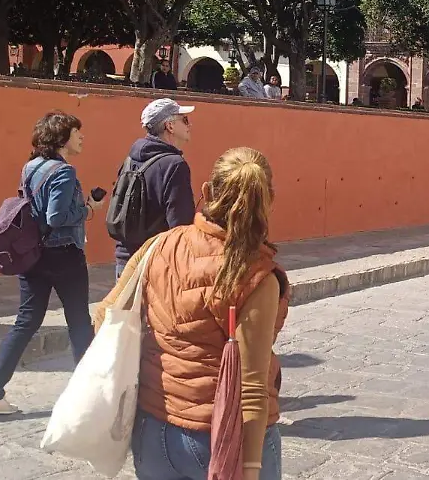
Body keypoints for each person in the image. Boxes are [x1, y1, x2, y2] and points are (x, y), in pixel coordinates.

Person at [98, 147, 289, 479]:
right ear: (269, 200)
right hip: (220, 437)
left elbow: (105, 315)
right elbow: (251, 388)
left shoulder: (159, 246)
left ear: (206, 192)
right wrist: (251, 469)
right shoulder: (256, 275)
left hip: (153, 430)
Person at [0, 111, 106, 414]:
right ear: (62, 138)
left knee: (26, 321)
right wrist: (88, 210)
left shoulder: (30, 166)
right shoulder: (64, 171)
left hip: (33, 255)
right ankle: (90, 395)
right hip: (64, 255)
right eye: (77, 132)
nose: (82, 137)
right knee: (79, 323)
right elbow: (55, 217)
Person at [112, 99, 197, 278]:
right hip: (155, 264)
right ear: (170, 126)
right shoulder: (174, 165)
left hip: (125, 259)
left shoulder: (130, 159)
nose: (189, 125)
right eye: (185, 120)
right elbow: (180, 226)